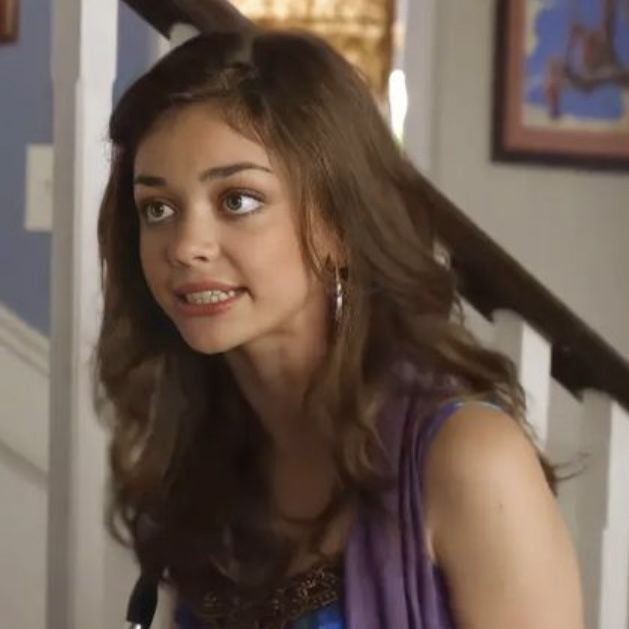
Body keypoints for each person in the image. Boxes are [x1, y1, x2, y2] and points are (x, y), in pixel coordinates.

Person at [94, 19, 585, 629]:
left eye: (237, 200)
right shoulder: (197, 452)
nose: (186, 245)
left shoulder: (470, 462)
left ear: (337, 226)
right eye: (158, 208)